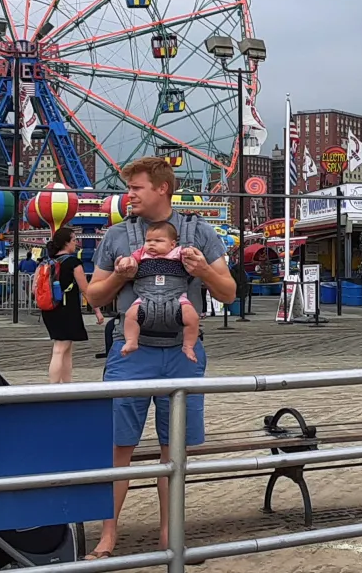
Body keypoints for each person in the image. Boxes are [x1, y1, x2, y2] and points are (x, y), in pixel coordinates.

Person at [85, 157, 235, 559]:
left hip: (183, 354)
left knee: (175, 450)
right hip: (130, 351)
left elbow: (228, 293)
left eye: (135, 188)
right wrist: (120, 276)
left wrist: (202, 270)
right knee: (119, 446)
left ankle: (171, 534)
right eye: (129, 188)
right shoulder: (117, 235)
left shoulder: (199, 232)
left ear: (162, 188)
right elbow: (95, 297)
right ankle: (108, 535)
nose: (128, 195)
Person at [121, 220, 200, 363]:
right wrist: (125, 262)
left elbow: (189, 257)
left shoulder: (177, 253)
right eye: (148, 240)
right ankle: (131, 340)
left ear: (172, 244)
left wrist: (189, 252)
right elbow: (130, 259)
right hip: (146, 297)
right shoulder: (141, 254)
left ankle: (188, 346)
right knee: (130, 315)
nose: (151, 244)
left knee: (192, 317)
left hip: (177, 297)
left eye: (158, 241)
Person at [40, 227, 103, 384]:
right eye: (74, 240)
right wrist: (97, 311)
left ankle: (67, 384)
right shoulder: (73, 263)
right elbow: (86, 289)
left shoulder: (47, 262)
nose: (76, 243)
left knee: (66, 348)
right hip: (67, 309)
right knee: (60, 349)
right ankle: (53, 387)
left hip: (50, 308)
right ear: (66, 243)